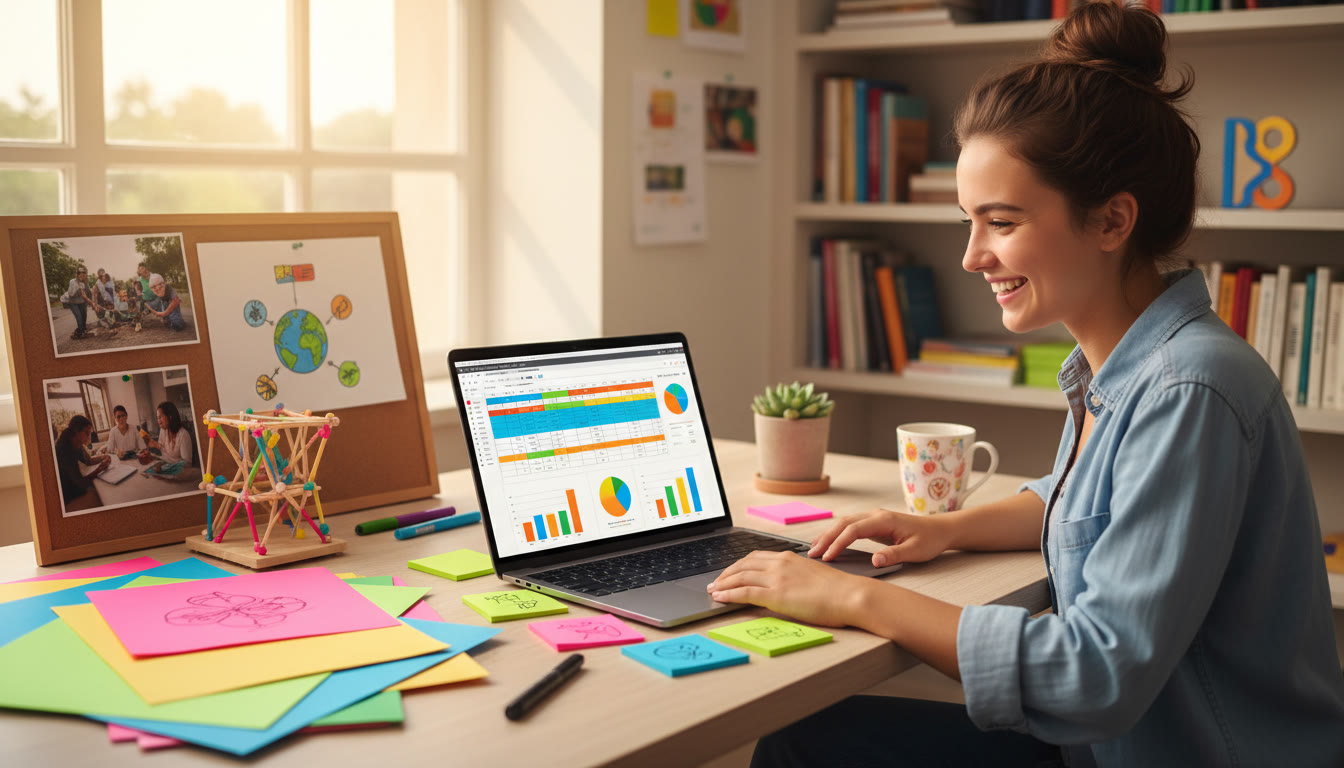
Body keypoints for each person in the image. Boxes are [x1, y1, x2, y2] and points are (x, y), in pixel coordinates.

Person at [710, 4, 1344, 766]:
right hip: (1115, 748)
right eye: (968, 221)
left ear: (1112, 221)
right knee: (804, 739)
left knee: (805, 750)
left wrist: (854, 597)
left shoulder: (1188, 389)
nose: (974, 256)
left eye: (1001, 222)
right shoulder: (1131, 365)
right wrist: (945, 528)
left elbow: (1094, 673)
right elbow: (1086, 497)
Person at [54, 415, 108, 510]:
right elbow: (80, 483)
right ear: (76, 432)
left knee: (101, 489)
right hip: (66, 500)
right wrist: (98, 470)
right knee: (101, 497)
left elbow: (88, 460)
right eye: (87, 432)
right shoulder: (64, 451)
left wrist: (103, 457)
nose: (89, 436)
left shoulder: (77, 444)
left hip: (75, 490)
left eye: (90, 432)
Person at [144, 400, 193, 465]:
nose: (158, 421)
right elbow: (164, 451)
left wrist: (169, 466)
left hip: (178, 471)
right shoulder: (163, 430)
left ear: (170, 417)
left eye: (160, 417)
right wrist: (154, 444)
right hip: (165, 466)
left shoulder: (183, 435)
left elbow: (187, 463)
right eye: (157, 418)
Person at [60, 266, 92, 339]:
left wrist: (92, 303)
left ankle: (83, 331)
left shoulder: (86, 282)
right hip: (73, 302)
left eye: (83, 273)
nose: (81, 274)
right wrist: (78, 286)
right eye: (79, 273)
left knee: (84, 317)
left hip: (82, 302)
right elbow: (71, 294)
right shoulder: (72, 281)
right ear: (77, 274)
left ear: (85, 274)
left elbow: (89, 293)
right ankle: (80, 333)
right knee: (79, 317)